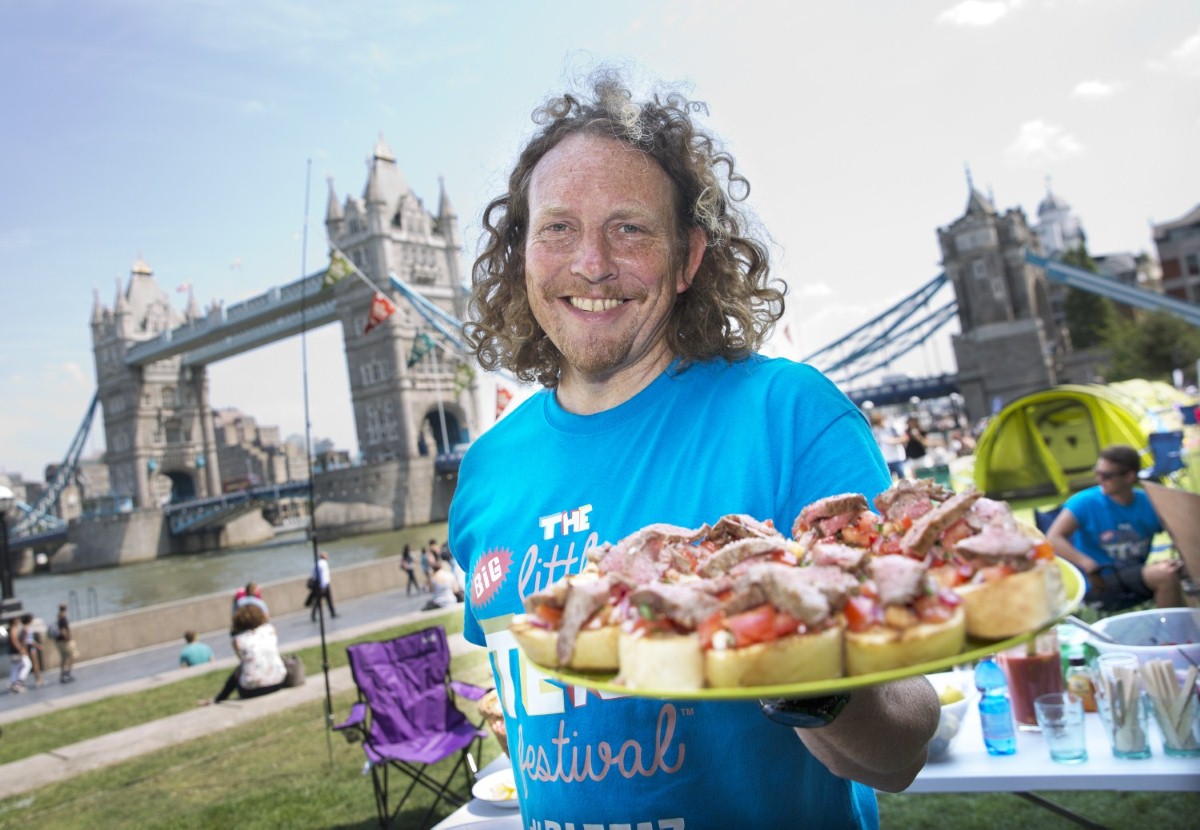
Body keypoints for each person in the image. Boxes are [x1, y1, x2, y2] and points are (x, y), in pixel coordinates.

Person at [448, 72, 938, 828]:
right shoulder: (485, 472)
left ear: (688, 259)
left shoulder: (789, 416)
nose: (591, 262)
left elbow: (900, 745)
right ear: (521, 255)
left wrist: (806, 671)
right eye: (556, 228)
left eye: (629, 228)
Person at [1047, 444, 1183, 611]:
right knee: (1165, 576)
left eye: (1106, 476)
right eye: (1097, 473)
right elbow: (1053, 538)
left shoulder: (1149, 503)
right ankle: (1174, 636)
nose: (1099, 480)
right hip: (1100, 581)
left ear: (1129, 476)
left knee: (1183, 571)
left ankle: (1189, 631)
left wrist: (1178, 559)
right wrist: (1086, 562)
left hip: (1136, 574)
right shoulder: (1085, 502)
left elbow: (1180, 534)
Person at [202, 604, 286, 705]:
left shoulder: (238, 641)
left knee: (239, 671)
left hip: (251, 690)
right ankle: (218, 698)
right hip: (278, 682)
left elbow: (243, 661)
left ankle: (220, 698)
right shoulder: (270, 630)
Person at [869, 411, 908, 480]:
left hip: (897, 458)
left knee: (903, 481)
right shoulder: (874, 431)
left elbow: (905, 438)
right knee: (888, 483)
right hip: (885, 461)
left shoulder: (892, 428)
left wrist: (892, 441)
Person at [52, 603, 78, 683]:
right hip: (64, 641)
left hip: (58, 641)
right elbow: (63, 630)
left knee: (64, 658)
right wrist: (68, 639)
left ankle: (63, 675)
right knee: (74, 655)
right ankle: (67, 673)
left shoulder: (58, 617)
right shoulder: (63, 618)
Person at [7, 614, 32, 694]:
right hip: (17, 652)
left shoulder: (14, 628)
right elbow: (14, 640)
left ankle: (14, 684)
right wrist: (20, 649)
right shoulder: (14, 628)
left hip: (14, 652)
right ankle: (19, 683)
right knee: (27, 665)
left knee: (15, 668)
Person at [309, 550, 337, 621]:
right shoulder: (324, 564)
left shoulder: (316, 563)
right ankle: (332, 613)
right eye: (327, 555)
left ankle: (313, 615)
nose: (328, 557)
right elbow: (324, 576)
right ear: (324, 557)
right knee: (328, 600)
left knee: (317, 601)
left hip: (317, 585)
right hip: (323, 585)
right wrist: (323, 586)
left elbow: (313, 575)